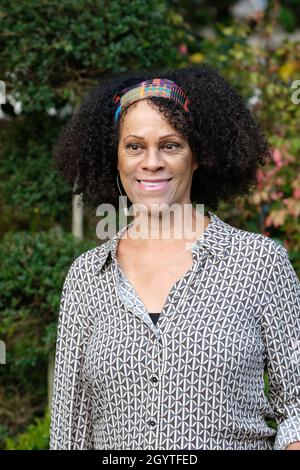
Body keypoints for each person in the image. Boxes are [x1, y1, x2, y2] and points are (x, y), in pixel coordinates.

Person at [49, 65, 300, 450]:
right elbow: (69, 431)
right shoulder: (87, 277)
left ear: (197, 156)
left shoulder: (259, 263)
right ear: (114, 158)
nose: (152, 162)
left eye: (170, 145)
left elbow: (296, 408)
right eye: (134, 146)